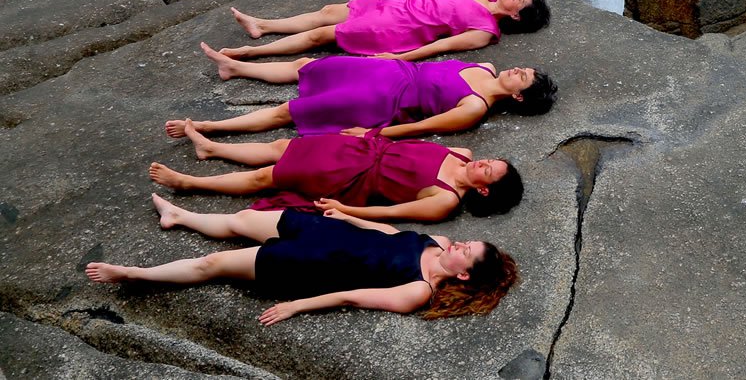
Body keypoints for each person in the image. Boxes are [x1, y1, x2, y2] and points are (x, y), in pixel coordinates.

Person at [86, 194, 518, 324]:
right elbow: (390, 232)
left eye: (467, 252)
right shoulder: (437, 240)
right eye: (467, 242)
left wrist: (297, 304)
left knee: (211, 266)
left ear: (463, 274)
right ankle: (180, 215)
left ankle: (134, 273)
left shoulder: (417, 290)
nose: (460, 245)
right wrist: (346, 214)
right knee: (240, 219)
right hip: (325, 232)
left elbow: (350, 296)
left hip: (307, 264)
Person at [151, 124, 523, 221]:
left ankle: (189, 183)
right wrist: (369, 133)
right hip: (365, 147)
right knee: (282, 147)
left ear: (484, 191)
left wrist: (346, 211)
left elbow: (390, 212)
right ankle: (213, 148)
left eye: (488, 171)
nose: (483, 162)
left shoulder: (444, 199)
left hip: (353, 176)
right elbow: (412, 140)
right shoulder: (462, 152)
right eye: (491, 160)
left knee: (268, 177)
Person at [168, 49, 556, 139]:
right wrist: (390, 55)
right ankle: (236, 67)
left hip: (384, 101)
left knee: (292, 111)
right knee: (308, 64)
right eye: (525, 68)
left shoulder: (474, 106)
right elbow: (432, 63)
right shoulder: (485, 68)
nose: (520, 70)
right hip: (390, 69)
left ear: (519, 97)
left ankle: (209, 126)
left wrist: (374, 134)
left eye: (525, 78)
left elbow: (424, 127)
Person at [219, 0, 550, 62]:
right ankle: (262, 25)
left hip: (400, 26)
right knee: (328, 11)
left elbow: (442, 47)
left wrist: (402, 57)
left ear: (517, 16)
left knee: (325, 35)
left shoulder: (485, 30)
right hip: (399, 1)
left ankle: (250, 53)